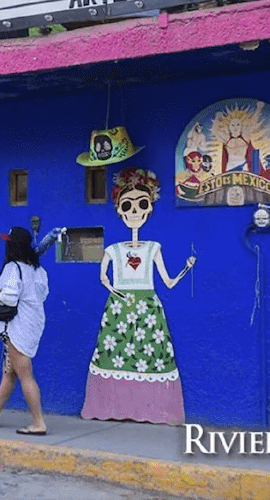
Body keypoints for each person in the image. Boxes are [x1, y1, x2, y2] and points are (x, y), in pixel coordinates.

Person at [81, 167, 196, 425]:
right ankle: (111, 405)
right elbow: (103, 277)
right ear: (120, 210)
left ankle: (152, 408)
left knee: (152, 357)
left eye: (141, 204)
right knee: (113, 353)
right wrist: (114, 291)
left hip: (146, 306)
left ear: (149, 208)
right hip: (121, 307)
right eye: (127, 205)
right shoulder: (112, 250)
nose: (134, 211)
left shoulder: (154, 247)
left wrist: (186, 269)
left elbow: (166, 282)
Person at [0, 226, 49, 435]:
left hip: (17, 327)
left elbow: (9, 298)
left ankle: (38, 422)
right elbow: (42, 294)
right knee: (10, 372)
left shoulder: (13, 268)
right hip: (33, 323)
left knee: (25, 375)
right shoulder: (38, 270)